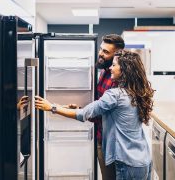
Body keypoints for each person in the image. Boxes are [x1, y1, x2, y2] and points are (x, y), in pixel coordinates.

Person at [35, 50, 154, 180]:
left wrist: (51, 107)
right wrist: (79, 108)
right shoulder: (136, 92)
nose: (110, 68)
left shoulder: (115, 95)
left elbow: (83, 115)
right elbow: (104, 112)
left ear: (125, 69)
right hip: (143, 160)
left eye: (114, 65)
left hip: (126, 162)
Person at [65, 34, 125, 179]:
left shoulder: (117, 80)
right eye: (101, 49)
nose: (100, 54)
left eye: (106, 52)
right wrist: (80, 108)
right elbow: (100, 105)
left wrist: (54, 108)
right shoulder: (105, 71)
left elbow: (103, 109)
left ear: (117, 55)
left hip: (113, 143)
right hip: (101, 136)